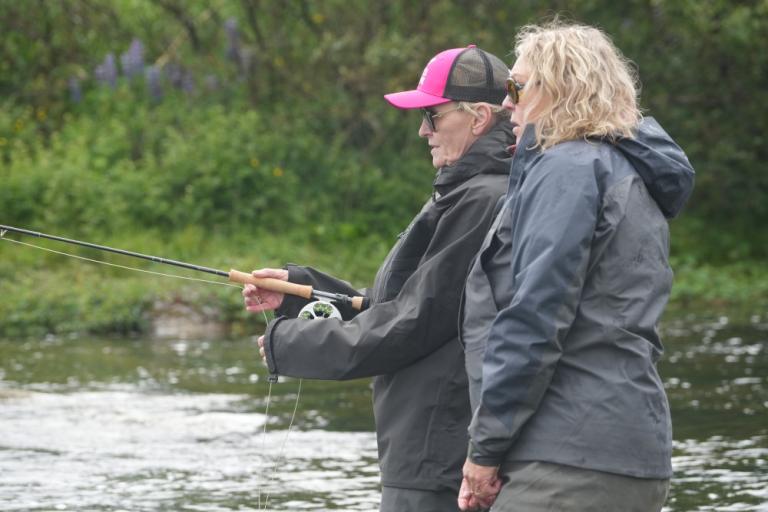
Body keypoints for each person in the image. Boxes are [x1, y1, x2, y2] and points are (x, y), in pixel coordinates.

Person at [243, 45, 515, 512]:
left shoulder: (483, 199)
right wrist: (298, 291)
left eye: (432, 114)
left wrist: (293, 344)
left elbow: (414, 322)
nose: (422, 129)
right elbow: (399, 303)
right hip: (428, 453)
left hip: (441, 456)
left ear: (479, 118)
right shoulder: (463, 192)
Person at [458, 22, 695, 512]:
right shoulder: (620, 169)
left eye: (516, 87)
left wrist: (484, 452)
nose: (507, 103)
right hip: (627, 453)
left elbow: (536, 317)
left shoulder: (567, 168)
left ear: (558, 88)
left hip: (569, 458)